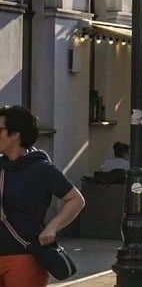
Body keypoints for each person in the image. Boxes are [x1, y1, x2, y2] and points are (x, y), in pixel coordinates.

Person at [0, 105, 85, 287]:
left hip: (24, 256)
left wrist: (53, 227)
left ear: (15, 134)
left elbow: (76, 200)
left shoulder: (41, 168)